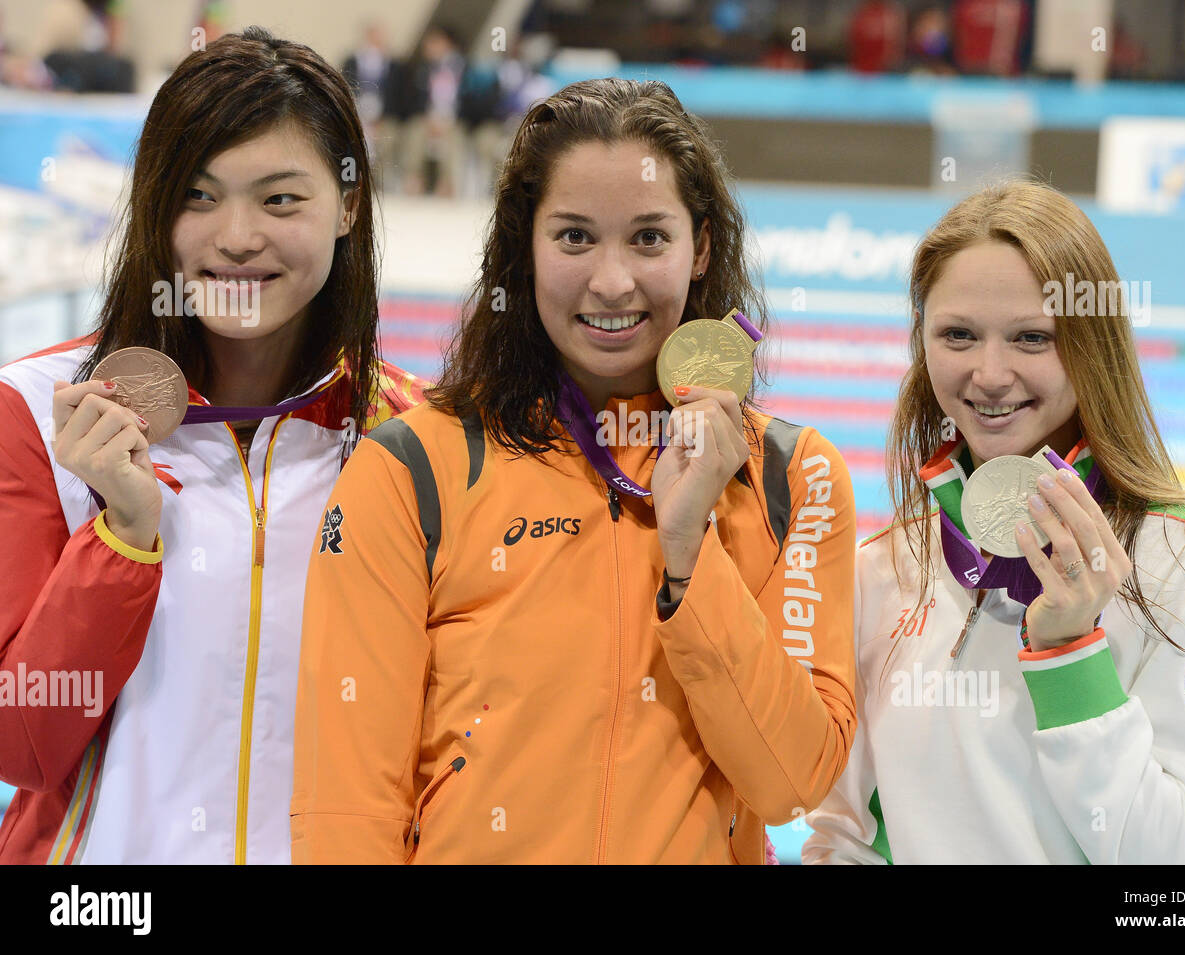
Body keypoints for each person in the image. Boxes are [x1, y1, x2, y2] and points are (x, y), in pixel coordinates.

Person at [291, 77, 857, 864]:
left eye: (650, 238)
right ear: (524, 249)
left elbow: (792, 780)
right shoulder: (414, 469)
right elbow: (345, 811)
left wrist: (690, 553)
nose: (612, 281)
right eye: (575, 237)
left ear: (701, 247)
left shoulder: (792, 477)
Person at [0, 26, 428, 864]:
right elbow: (23, 742)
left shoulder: (413, 438)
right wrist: (122, 536)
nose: (236, 237)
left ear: (348, 206)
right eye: (197, 196)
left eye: (279, 199)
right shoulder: (38, 413)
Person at [803, 180, 1185, 864]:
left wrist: (1069, 655)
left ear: (1093, 348)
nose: (991, 374)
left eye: (1032, 338)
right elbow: (845, 838)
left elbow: (1184, 868)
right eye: (958, 334)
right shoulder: (885, 567)